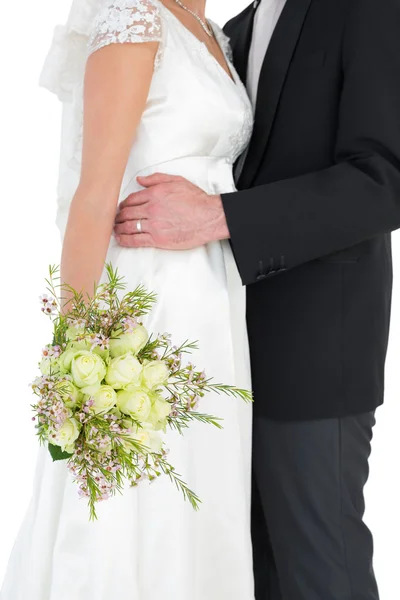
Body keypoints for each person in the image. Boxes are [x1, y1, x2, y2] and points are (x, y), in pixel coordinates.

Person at [114, 0, 400, 598]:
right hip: (218, 352)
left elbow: (385, 179)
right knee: (251, 575)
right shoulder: (233, 32)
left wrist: (220, 216)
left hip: (318, 349)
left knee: (323, 570)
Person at [0, 1, 255, 599]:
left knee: (200, 499)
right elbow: (93, 195)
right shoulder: (135, 14)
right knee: (131, 499)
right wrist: (75, 353)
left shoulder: (213, 31)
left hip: (217, 303)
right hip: (150, 302)